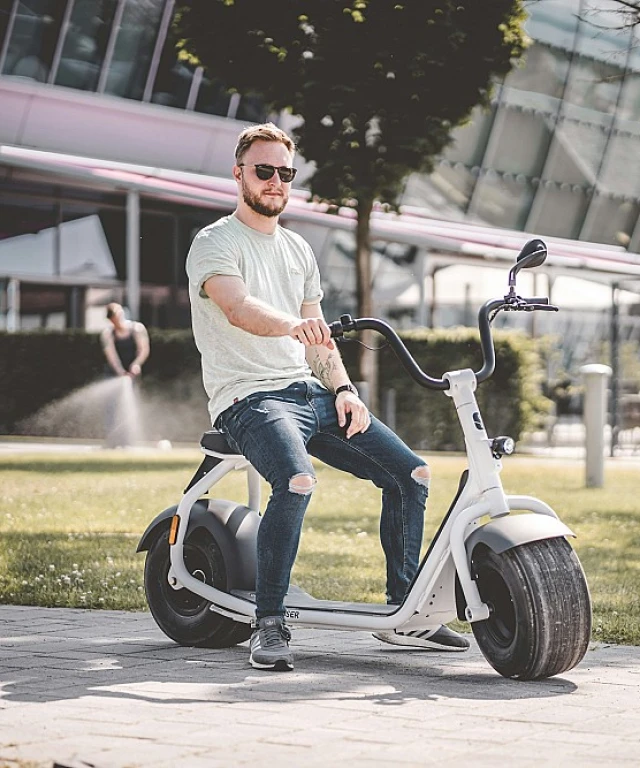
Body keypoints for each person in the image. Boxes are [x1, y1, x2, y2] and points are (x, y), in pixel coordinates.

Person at [186, 122, 469, 672]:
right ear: (239, 174)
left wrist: (343, 388)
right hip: (248, 398)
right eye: (264, 171)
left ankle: (405, 612)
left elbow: (317, 333)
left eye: (285, 173)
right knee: (296, 482)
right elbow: (238, 307)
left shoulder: (296, 248)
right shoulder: (215, 241)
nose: (275, 182)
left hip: (308, 393)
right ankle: (268, 623)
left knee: (412, 475)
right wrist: (293, 326)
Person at [100, 303, 150, 446]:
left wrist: (136, 364)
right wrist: (120, 372)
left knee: (130, 407)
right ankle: (112, 442)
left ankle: (129, 441)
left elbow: (144, 349)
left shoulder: (137, 329)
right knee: (112, 408)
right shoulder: (107, 334)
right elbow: (112, 356)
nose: (117, 321)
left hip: (133, 373)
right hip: (114, 374)